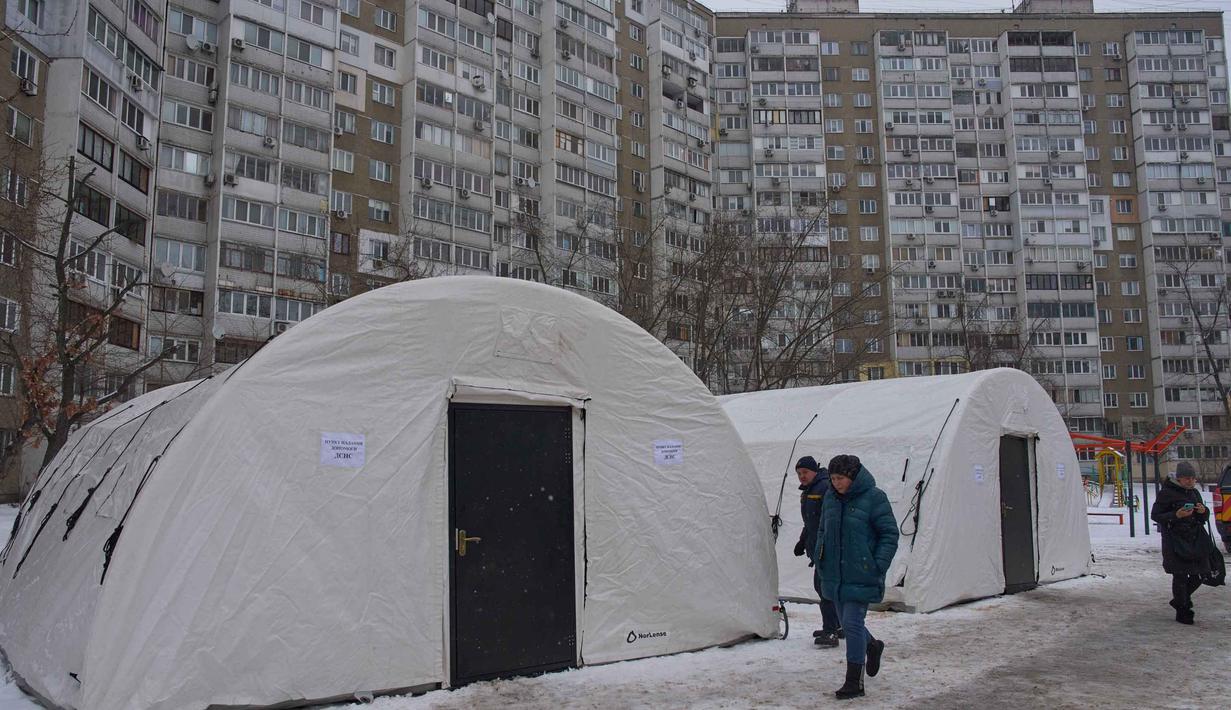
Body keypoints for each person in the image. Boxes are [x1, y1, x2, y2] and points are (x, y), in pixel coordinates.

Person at [816, 454, 898, 700]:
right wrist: (821, 557)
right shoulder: (830, 498)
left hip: (860, 572)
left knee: (851, 624)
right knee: (849, 623)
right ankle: (871, 645)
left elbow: (889, 534)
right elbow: (822, 530)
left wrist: (876, 565)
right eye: (832, 478)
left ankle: (854, 682)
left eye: (840, 478)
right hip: (834, 573)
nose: (836, 483)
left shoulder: (874, 497)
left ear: (853, 476)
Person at [1150, 462, 1213, 624]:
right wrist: (1176, 515)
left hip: (1195, 539)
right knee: (1180, 576)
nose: (1190, 481)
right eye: (1187, 478)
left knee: (1201, 574)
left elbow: (1202, 518)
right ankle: (1183, 610)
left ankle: (1179, 600)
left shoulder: (1194, 493)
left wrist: (1203, 512)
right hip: (1175, 541)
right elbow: (1156, 515)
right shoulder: (1166, 493)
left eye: (1193, 478)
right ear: (1178, 478)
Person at [791, 455, 843, 647]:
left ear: (814, 471)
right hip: (817, 548)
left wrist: (826, 546)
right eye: (799, 473)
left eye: (805, 472)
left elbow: (828, 521)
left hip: (826, 549)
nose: (802, 476)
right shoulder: (809, 491)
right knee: (824, 588)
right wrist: (802, 541)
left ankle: (831, 631)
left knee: (824, 589)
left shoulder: (824, 488)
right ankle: (837, 626)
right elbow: (811, 522)